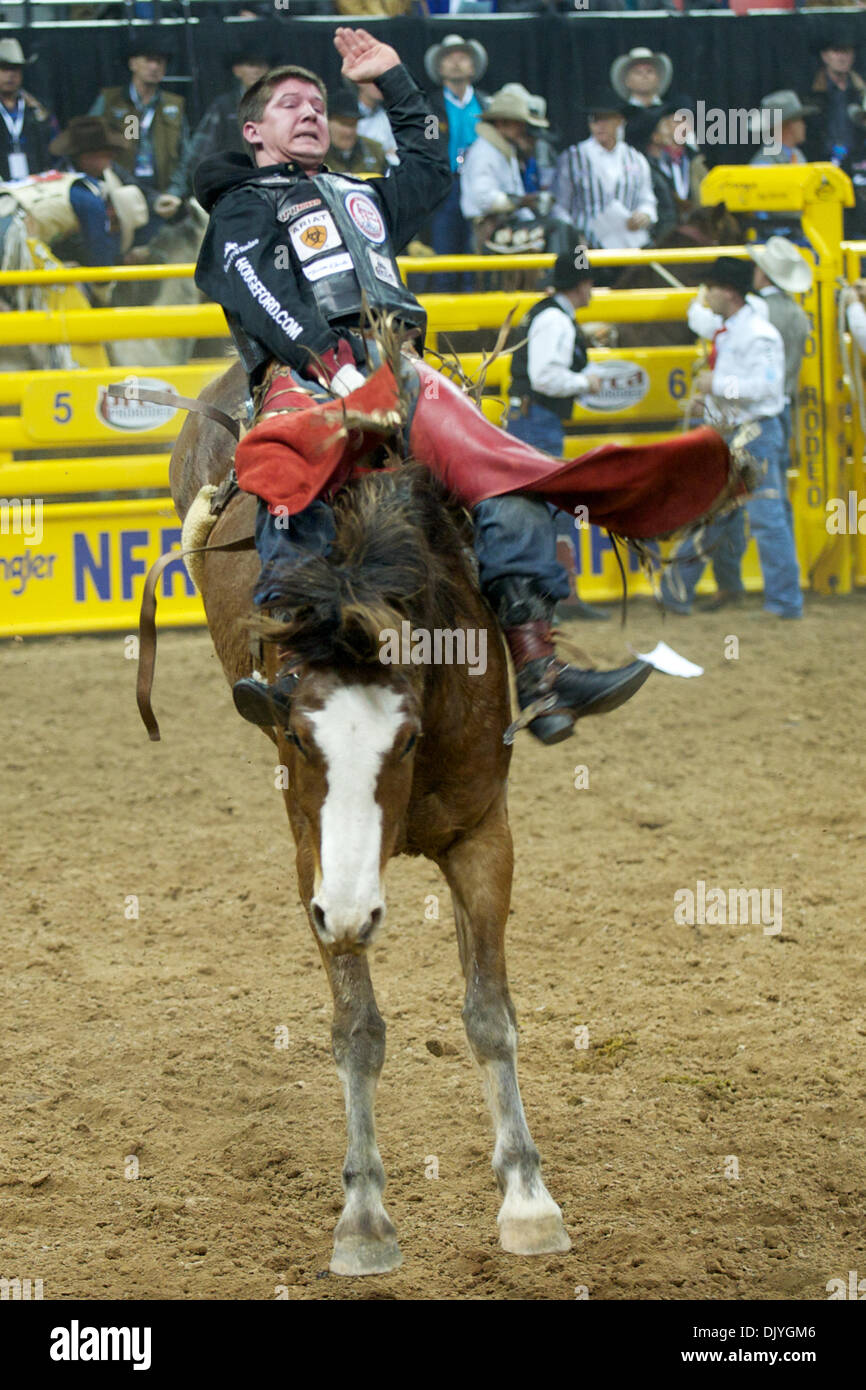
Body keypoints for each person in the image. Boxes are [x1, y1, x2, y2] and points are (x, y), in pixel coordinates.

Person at [193, 30, 730, 743]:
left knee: (506, 474)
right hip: (307, 371)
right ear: (254, 130)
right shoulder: (246, 202)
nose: (311, 112)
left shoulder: (359, 196)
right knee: (290, 464)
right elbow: (255, 284)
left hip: (399, 364)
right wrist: (327, 359)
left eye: (319, 103)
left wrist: (395, 84)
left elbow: (429, 169)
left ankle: (539, 665)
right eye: (291, 104)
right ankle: (293, 659)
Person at [662, 257, 802, 620]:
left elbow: (767, 387)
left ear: (728, 292)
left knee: (759, 516)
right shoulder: (741, 329)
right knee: (722, 513)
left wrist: (717, 386)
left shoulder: (758, 333)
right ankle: (676, 592)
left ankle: (783, 602)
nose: (706, 294)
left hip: (752, 432)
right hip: (737, 431)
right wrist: (708, 402)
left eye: (710, 287)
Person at [506, 251, 608, 622]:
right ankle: (556, 597)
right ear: (582, 285)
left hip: (531, 416)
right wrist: (585, 381)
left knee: (544, 507)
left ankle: (556, 595)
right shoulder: (556, 320)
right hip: (538, 419)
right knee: (551, 506)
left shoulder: (549, 314)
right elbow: (545, 377)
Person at [0, 115, 147, 278]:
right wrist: (103, 289)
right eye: (107, 156)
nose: (110, 163)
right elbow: (98, 252)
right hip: (12, 235)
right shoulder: (86, 196)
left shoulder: (63, 180)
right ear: (88, 157)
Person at [89, 34, 190, 227]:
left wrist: (174, 193)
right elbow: (91, 146)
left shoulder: (173, 105)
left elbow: (186, 155)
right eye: (149, 60)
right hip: (123, 196)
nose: (155, 67)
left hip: (165, 196)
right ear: (133, 63)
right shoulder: (112, 101)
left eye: (160, 62)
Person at [423, 33, 490, 291]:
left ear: (473, 67)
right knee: (445, 252)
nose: (456, 62)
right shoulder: (430, 106)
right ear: (439, 68)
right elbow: (426, 145)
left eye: (462, 57)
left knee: (476, 251)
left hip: (479, 183)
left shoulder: (487, 105)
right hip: (446, 185)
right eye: (449, 58)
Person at [552, 92, 657, 253]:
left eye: (606, 119)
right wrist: (573, 236)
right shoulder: (573, 157)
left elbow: (647, 199)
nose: (600, 125)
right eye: (595, 119)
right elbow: (560, 206)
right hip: (586, 247)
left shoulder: (636, 159)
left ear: (620, 121)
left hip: (628, 246)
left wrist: (644, 214)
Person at [168, 46, 269, 201]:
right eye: (250, 65)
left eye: (261, 65)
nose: (256, 70)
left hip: (271, 183)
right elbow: (199, 153)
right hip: (233, 187)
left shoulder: (280, 106)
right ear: (237, 70)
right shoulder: (223, 107)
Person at [0, 37, 58, 183]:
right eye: (4, 68)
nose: (11, 75)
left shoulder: (38, 109)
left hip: (35, 183)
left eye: (16, 68)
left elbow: (56, 146)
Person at [325, 89, 388, 175]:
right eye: (343, 124)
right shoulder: (316, 153)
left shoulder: (375, 150)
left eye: (353, 124)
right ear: (327, 122)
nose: (348, 132)